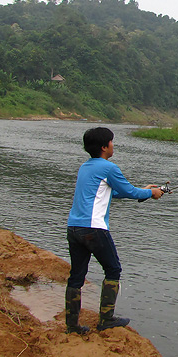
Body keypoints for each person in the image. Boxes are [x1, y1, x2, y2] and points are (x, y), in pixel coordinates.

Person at [65, 127, 165, 334]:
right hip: (94, 229)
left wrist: (145, 191)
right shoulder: (108, 168)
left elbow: (111, 193)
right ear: (104, 147)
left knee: (76, 276)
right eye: (111, 142)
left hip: (74, 228)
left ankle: (72, 326)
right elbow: (128, 191)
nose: (113, 145)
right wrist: (151, 192)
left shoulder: (85, 167)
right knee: (113, 270)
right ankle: (106, 319)